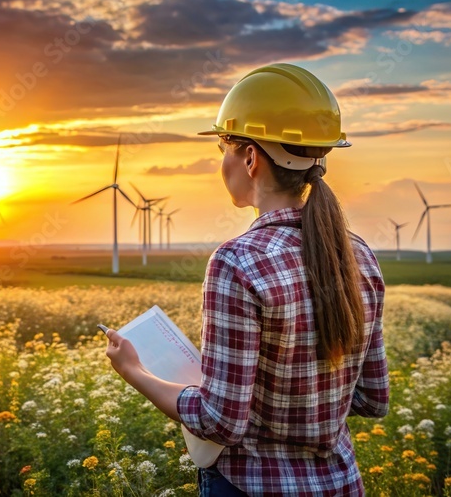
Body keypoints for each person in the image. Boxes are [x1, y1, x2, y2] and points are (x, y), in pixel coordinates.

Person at [104, 64, 389, 496]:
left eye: (225, 147)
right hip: (341, 485)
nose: (223, 161)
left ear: (251, 157)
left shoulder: (238, 262)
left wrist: (134, 370)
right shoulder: (359, 255)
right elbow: (372, 398)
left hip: (252, 487)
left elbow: (221, 422)